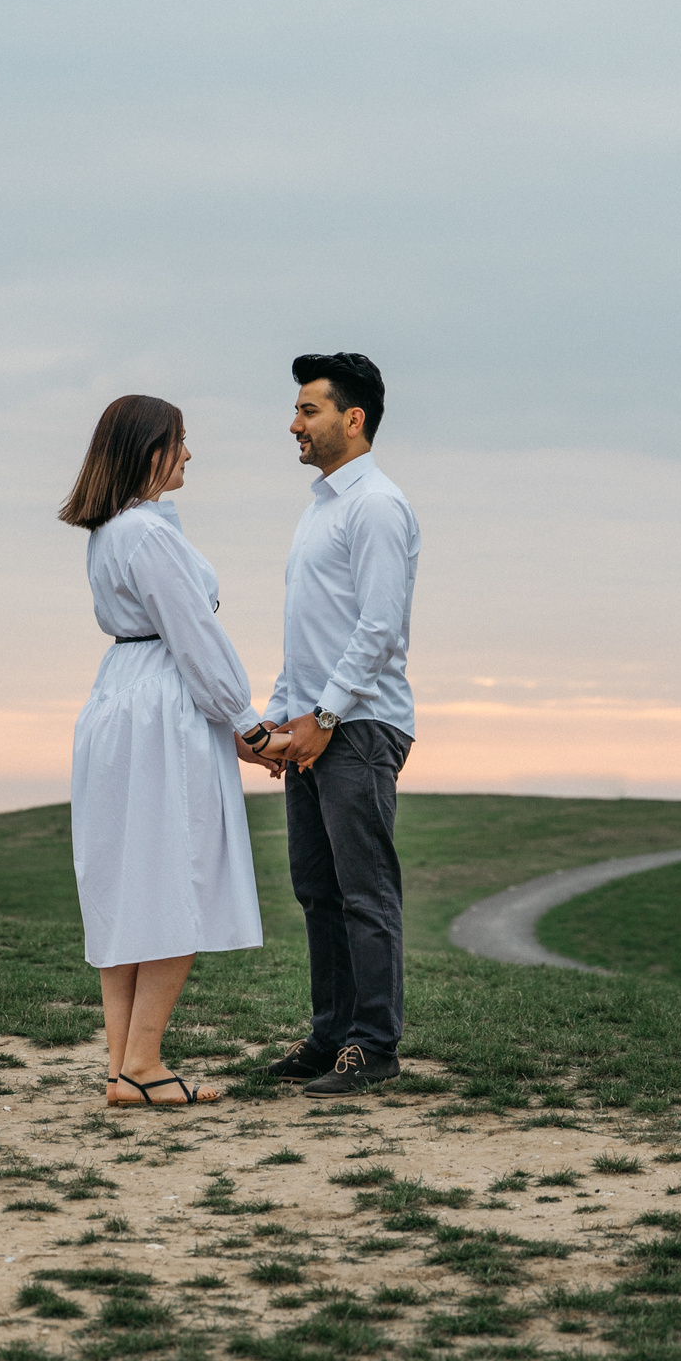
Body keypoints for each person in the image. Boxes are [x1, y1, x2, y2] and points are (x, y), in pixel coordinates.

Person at [63, 394, 288, 1107]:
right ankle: (144, 1062)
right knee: (179, 872)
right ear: (149, 450)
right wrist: (246, 722)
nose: (188, 455)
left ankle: (124, 1064)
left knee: (129, 879)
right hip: (162, 700)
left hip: (119, 696)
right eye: (179, 442)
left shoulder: (111, 533)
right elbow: (195, 636)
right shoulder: (150, 536)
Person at [254, 352, 421, 1096]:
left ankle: (374, 1045)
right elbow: (309, 633)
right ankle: (331, 1036)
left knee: (364, 890)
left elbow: (380, 626)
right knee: (317, 889)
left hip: (358, 725)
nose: (295, 423)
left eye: (308, 410)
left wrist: (324, 714)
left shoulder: (376, 506)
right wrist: (273, 720)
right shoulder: (320, 508)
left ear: (352, 419)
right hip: (314, 726)